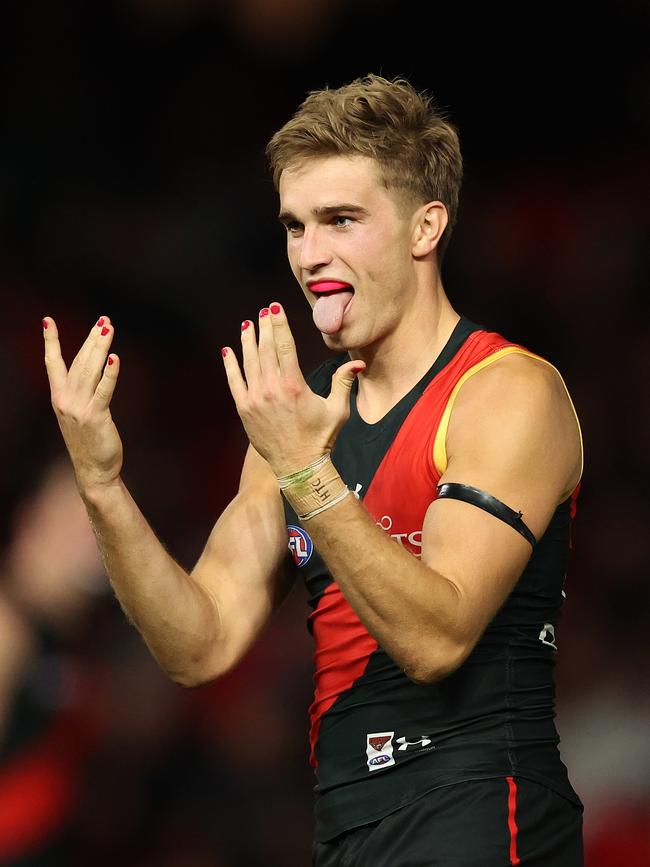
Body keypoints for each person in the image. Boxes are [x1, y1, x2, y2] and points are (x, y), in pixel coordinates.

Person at [43, 74, 584, 866]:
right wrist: (101, 485)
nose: (310, 254)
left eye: (341, 220)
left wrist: (306, 470)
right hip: (347, 829)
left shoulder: (505, 392)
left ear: (425, 226)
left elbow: (437, 639)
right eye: (295, 226)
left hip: (481, 809)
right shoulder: (297, 427)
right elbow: (200, 644)